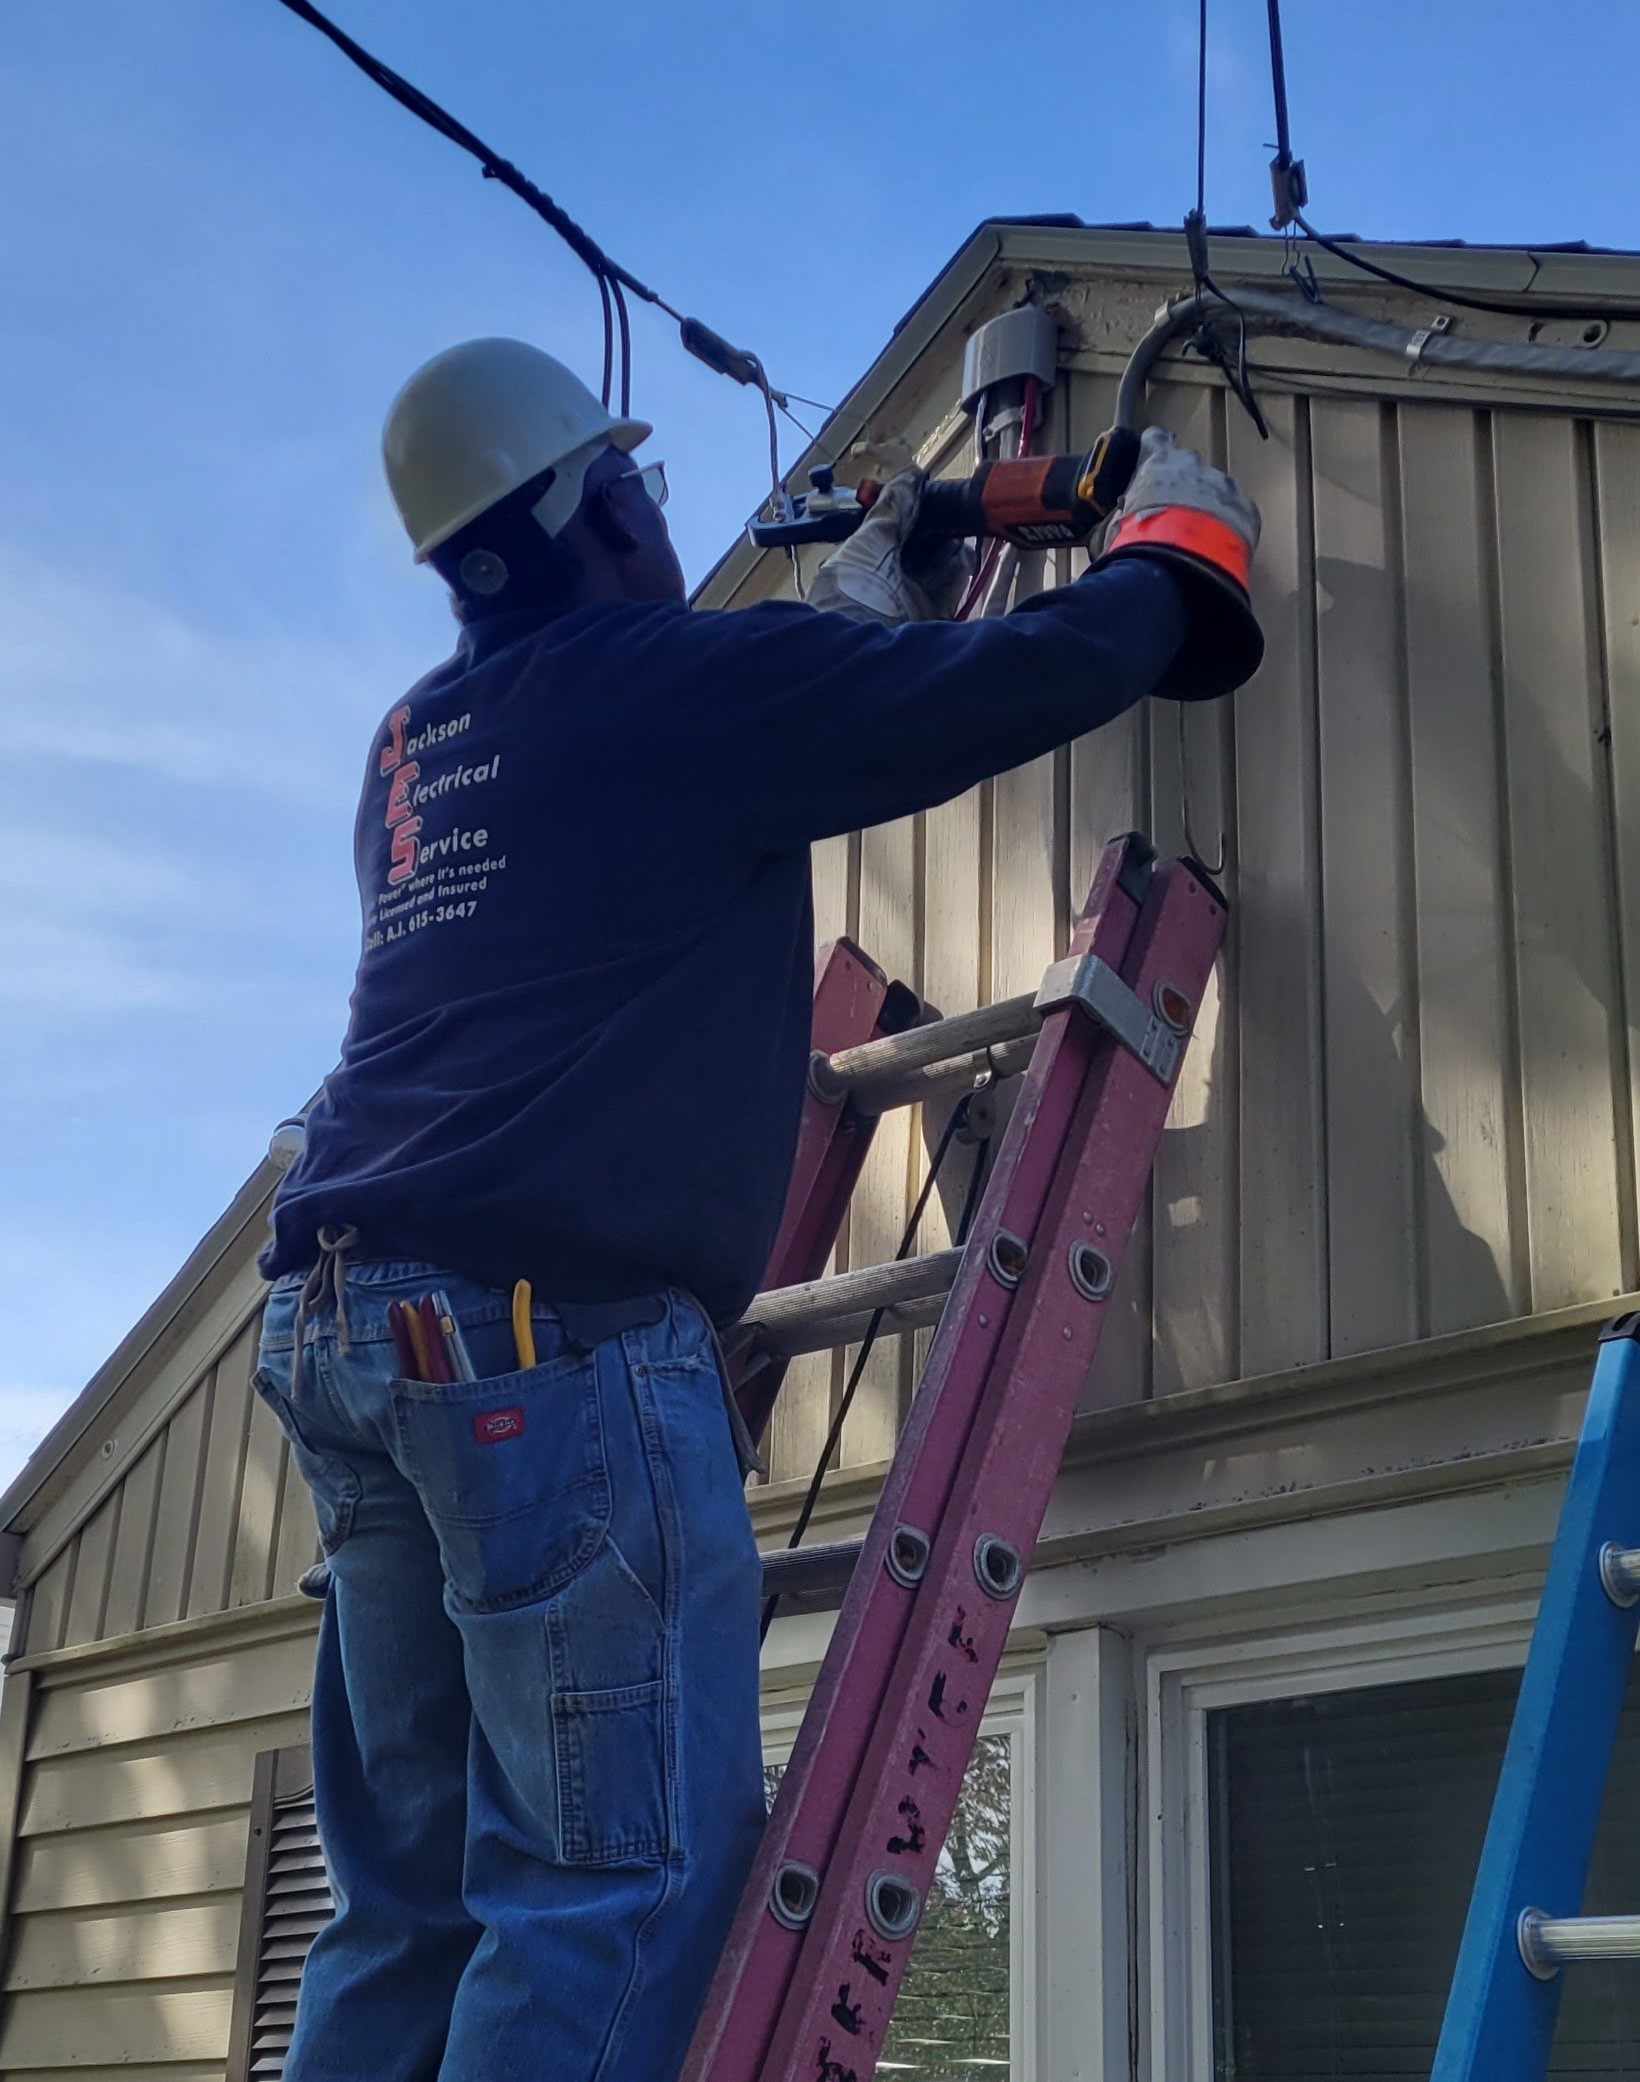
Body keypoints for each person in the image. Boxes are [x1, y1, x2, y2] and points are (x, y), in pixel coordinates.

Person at [253, 336, 1261, 2082]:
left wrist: (871, 585)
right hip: (539, 1346)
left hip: (349, 1335)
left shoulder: (418, 749)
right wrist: (1177, 561)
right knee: (610, 1893)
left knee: (409, 1906)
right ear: (596, 510)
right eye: (639, 485)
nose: (664, 512)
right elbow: (970, 693)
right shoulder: (665, 691)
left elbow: (720, 721)